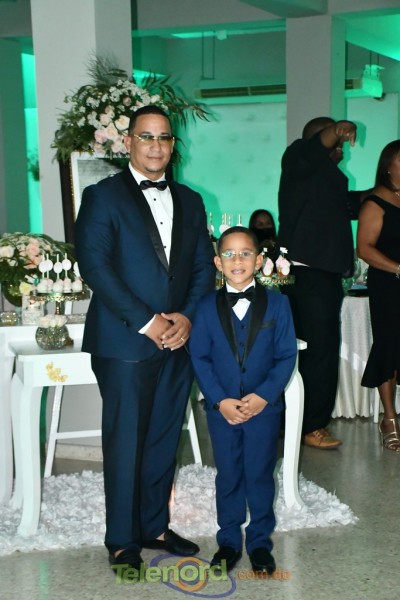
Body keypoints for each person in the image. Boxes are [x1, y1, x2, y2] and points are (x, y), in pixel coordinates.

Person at [74, 105, 216, 573]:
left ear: (173, 145)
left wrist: (187, 317)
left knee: (162, 439)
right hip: (124, 342)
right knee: (126, 443)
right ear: (128, 142)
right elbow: (96, 268)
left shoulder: (191, 200)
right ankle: (121, 540)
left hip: (178, 340)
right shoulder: (102, 196)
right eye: (146, 136)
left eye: (164, 137)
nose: (156, 146)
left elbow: (202, 267)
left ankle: (154, 527)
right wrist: (148, 322)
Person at [189, 226, 297, 573]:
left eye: (246, 253)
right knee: (229, 473)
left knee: (260, 473)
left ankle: (260, 542)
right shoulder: (205, 306)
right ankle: (229, 541)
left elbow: (286, 355)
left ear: (259, 260)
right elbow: (199, 357)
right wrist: (219, 400)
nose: (238, 260)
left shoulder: (278, 304)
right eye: (230, 254)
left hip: (264, 409)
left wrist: (264, 396)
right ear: (218, 262)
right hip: (222, 409)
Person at [278, 117, 369, 449]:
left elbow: (350, 205)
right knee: (320, 352)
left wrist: (380, 194)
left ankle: (293, 423)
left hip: (313, 274)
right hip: (311, 273)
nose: (342, 148)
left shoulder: (321, 178)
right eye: (338, 142)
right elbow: (316, 145)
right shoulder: (299, 156)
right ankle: (312, 426)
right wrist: (339, 128)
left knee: (306, 351)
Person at [357, 140, 400, 452]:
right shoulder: (375, 202)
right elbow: (364, 249)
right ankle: (389, 418)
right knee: (388, 345)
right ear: (388, 166)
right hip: (388, 283)